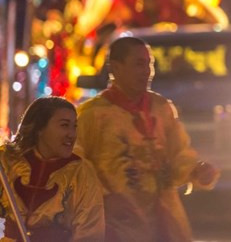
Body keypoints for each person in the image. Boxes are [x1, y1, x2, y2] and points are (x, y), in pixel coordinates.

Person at [76, 36, 218, 242]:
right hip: (116, 224)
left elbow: (179, 154)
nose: (147, 71)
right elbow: (75, 166)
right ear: (116, 68)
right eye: (139, 64)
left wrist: (196, 171)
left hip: (164, 222)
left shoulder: (161, 108)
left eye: (149, 64)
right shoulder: (92, 114)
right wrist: (103, 198)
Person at [0, 96, 104, 242]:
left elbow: (89, 233)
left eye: (74, 126)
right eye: (64, 125)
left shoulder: (81, 172)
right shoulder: (7, 160)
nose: (72, 134)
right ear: (40, 129)